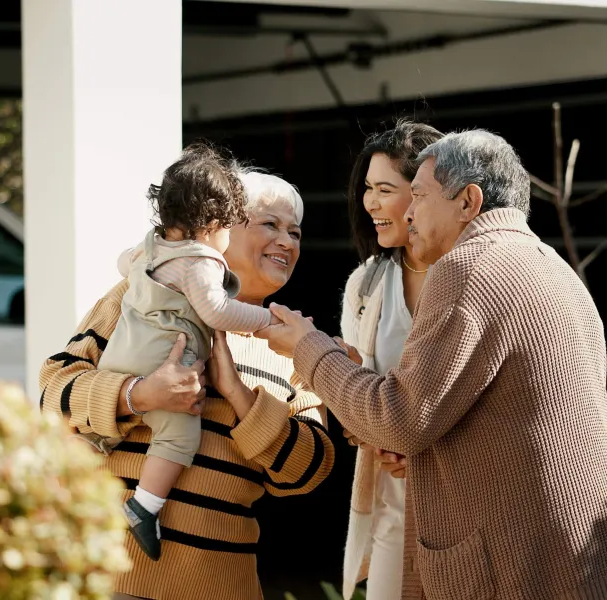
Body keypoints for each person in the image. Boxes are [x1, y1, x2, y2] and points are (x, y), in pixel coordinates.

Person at [258, 130, 607, 600]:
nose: (407, 212)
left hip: (504, 563)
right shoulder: (555, 268)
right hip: (567, 554)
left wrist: (308, 346)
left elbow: (399, 417)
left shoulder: (468, 268)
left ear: (468, 201)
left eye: (416, 196)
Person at [39, 165, 335, 600]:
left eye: (296, 232)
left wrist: (237, 393)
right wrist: (137, 395)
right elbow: (53, 394)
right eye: (270, 224)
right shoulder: (141, 292)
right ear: (222, 226)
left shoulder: (292, 340)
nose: (287, 241)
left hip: (219, 583)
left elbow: (307, 471)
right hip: (109, 575)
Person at [89, 145, 276, 561]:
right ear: (212, 225)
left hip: (119, 359)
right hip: (165, 364)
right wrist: (265, 321)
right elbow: (217, 309)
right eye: (229, 228)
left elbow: (124, 265)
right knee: (178, 435)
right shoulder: (202, 261)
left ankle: (97, 436)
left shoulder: (148, 248)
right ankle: (144, 506)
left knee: (106, 426)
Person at [339, 121, 443, 600]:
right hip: (391, 503)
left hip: (458, 498)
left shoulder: (471, 274)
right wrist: (371, 431)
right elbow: (350, 394)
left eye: (385, 189)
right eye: (367, 190)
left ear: (425, 194)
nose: (371, 204)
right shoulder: (365, 285)